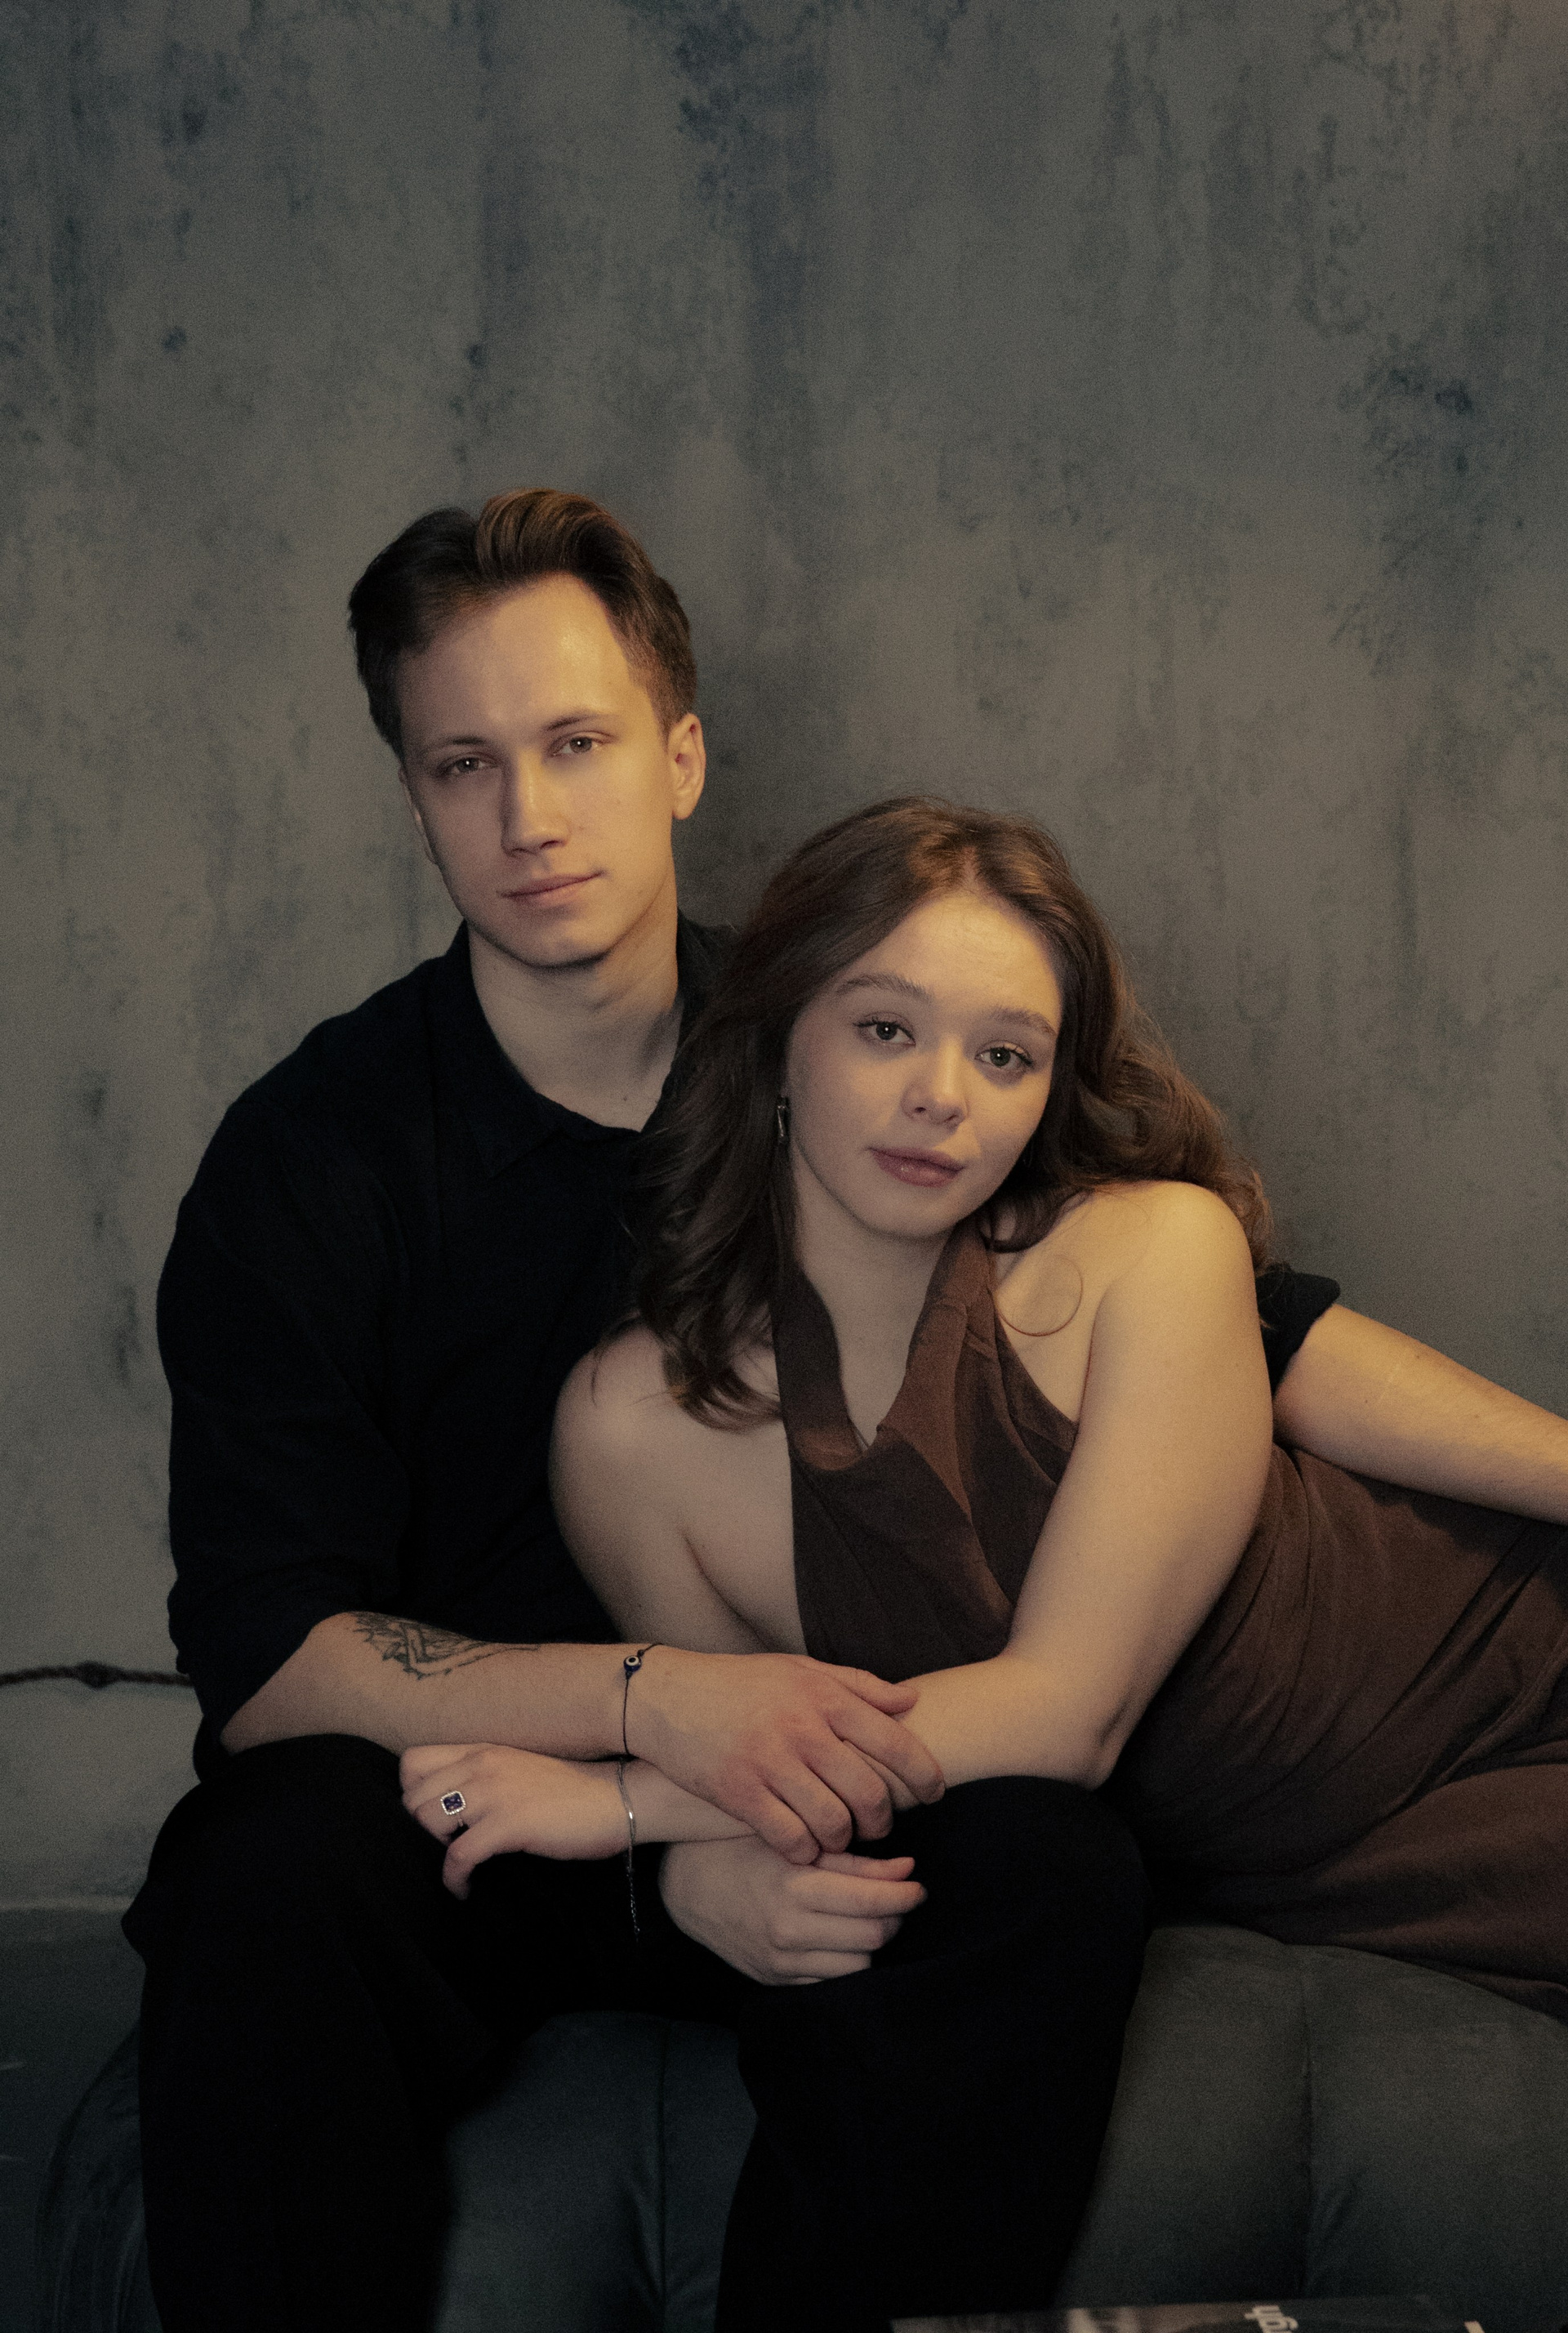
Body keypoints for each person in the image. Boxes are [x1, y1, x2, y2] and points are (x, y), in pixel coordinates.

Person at [127, 488, 1566, 2332]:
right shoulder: (311, 1162)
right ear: (413, 793)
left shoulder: (843, 1024)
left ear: (681, 756)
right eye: (464, 763)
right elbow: (269, 1662)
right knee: (270, 1872)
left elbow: (1236, 1320)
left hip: (822, 1754)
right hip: (496, 1793)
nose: (529, 814)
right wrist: (661, 1738)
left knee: (1044, 1864)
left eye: (577, 744)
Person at [406, 795, 1568, 2324]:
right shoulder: (630, 1434)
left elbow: (1062, 1714)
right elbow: (777, 1778)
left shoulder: (1151, 1253)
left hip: (1514, 1724)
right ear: (779, 1037)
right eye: (886, 1029)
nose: (941, 1100)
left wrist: (619, 1802)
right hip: (1301, 1873)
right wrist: (697, 1863)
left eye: (1006, 1055)